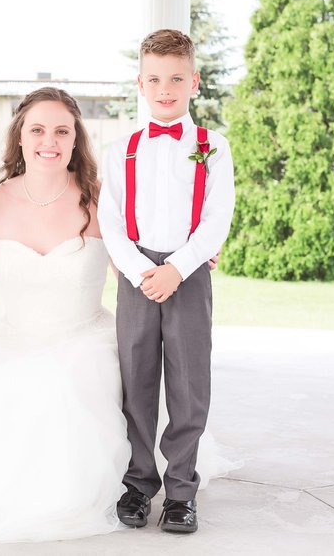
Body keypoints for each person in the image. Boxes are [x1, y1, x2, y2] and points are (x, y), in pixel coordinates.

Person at [0, 87, 232, 542]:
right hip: (14, 337)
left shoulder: (104, 201)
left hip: (87, 338)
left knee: (64, 391)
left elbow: (142, 259)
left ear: (75, 139)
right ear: (19, 136)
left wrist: (189, 257)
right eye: (37, 130)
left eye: (62, 131)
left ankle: (142, 484)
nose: (49, 140)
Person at [98, 28, 236, 533]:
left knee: (188, 385)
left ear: (194, 82)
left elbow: (217, 217)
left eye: (177, 78)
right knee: (135, 383)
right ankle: (138, 485)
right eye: (154, 79)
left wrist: (178, 268)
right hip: (137, 278)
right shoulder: (121, 150)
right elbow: (110, 220)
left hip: (189, 275)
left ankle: (181, 491)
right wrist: (141, 272)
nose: (165, 89)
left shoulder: (213, 148)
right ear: (140, 83)